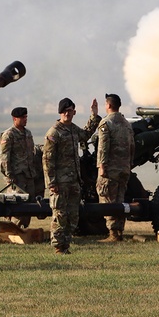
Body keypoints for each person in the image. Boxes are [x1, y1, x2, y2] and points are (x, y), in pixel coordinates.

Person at [43, 97, 100, 254]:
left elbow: (86, 134)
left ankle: (66, 245)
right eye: (65, 111)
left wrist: (94, 116)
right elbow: (47, 160)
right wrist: (52, 182)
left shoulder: (73, 129)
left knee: (73, 216)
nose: (68, 114)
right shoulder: (54, 133)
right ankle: (58, 246)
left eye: (71, 111)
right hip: (60, 182)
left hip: (73, 181)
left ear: (74, 112)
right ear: (60, 112)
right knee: (60, 215)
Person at [96, 93, 135, 243]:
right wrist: (129, 164)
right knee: (119, 200)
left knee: (107, 199)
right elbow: (132, 146)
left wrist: (102, 166)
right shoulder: (126, 123)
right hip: (124, 168)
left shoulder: (106, 123)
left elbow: (103, 147)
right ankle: (119, 232)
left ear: (108, 105)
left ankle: (113, 233)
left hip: (110, 169)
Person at [0, 107, 37, 195]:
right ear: (15, 119)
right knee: (19, 203)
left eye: (26, 117)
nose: (25, 119)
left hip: (29, 175)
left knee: (31, 203)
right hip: (17, 176)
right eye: (23, 117)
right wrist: (9, 175)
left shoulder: (28, 133)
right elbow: (4, 157)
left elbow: (31, 152)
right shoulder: (9, 134)